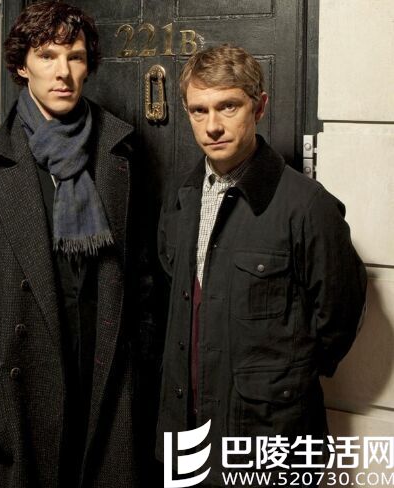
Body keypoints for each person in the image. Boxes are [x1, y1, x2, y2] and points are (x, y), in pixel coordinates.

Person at [0, 3, 145, 487]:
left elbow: (141, 278)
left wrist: (138, 372)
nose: (63, 72)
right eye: (47, 56)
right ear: (22, 65)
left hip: (102, 391)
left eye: (75, 56)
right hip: (19, 401)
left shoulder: (118, 154)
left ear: (88, 66)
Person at [156, 45, 367, 486]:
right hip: (187, 429)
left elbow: (338, 318)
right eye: (199, 110)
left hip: (270, 435)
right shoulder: (182, 198)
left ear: (259, 106)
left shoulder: (307, 206)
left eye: (228, 106)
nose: (212, 126)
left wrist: (281, 382)